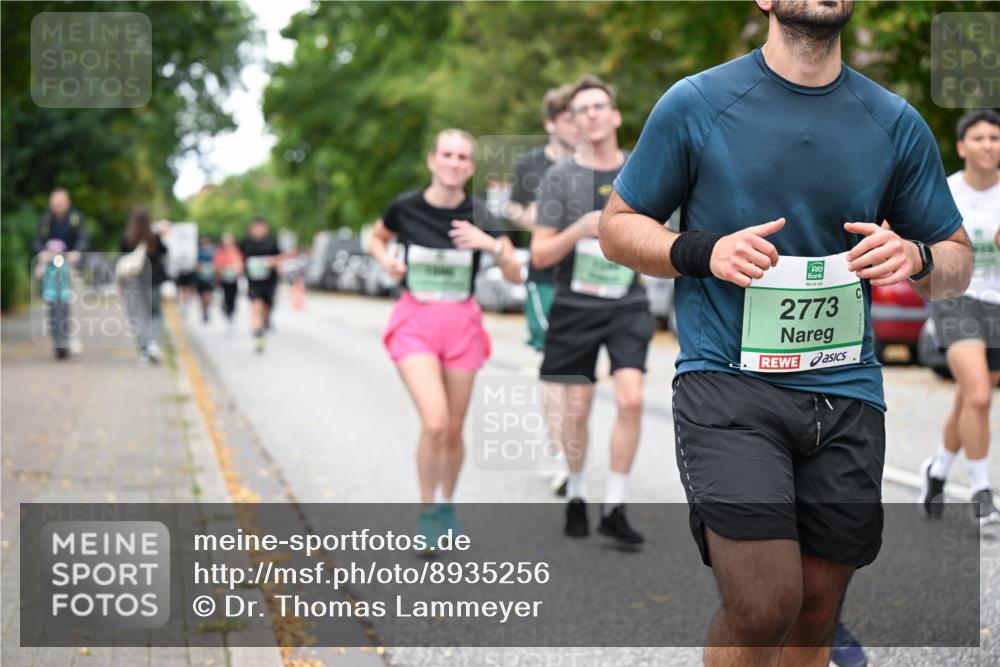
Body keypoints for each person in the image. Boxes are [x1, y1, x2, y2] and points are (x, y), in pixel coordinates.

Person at [597, 1, 973, 664]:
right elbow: (618, 226)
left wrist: (915, 258)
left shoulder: (893, 120)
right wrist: (701, 250)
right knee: (765, 601)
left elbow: (956, 261)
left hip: (848, 392)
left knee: (814, 614)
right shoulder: (698, 102)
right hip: (729, 385)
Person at [370, 129, 522, 551]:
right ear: (432, 161)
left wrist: (490, 244)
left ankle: (447, 504)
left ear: (470, 167)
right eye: (447, 155)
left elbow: (515, 273)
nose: (454, 163)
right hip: (415, 320)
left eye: (463, 157)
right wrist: (386, 262)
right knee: (434, 421)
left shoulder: (481, 214)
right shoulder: (405, 207)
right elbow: (376, 237)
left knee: (453, 430)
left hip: (462, 324)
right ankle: (426, 513)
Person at [531, 75, 654, 546]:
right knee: (576, 410)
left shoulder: (641, 170)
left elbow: (661, 232)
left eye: (600, 106)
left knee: (631, 398)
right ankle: (578, 493)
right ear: (574, 122)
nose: (593, 115)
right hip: (575, 303)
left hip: (627, 301)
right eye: (582, 110)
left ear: (616, 115)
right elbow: (541, 254)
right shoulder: (559, 178)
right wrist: (581, 228)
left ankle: (616, 505)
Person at [921, 108, 1000, 526]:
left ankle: (936, 471)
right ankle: (982, 492)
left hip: (997, 307)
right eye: (981, 138)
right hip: (956, 299)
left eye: (996, 138)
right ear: (961, 147)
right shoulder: (947, 192)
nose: (989, 145)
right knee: (981, 397)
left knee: (969, 397)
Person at [507, 83, 579, 497]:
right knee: (555, 367)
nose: (577, 124)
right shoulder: (531, 164)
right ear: (552, 123)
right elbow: (513, 206)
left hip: (585, 280)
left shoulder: (594, 165)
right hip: (545, 278)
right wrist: (533, 218)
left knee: (577, 373)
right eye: (568, 117)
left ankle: (569, 448)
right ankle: (560, 453)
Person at [33, 187, 88, 355]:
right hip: (51, 267)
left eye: (60, 201)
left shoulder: (76, 218)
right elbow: (37, 241)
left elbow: (83, 238)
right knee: (52, 304)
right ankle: (58, 341)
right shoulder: (46, 219)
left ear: (67, 202)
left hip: (70, 266)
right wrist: (42, 253)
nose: (57, 204)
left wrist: (76, 252)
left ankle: (71, 336)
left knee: (71, 303)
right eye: (54, 202)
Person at [119, 207, 169, 365]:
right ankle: (153, 343)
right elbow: (164, 252)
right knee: (155, 313)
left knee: (136, 317)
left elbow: (122, 262)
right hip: (153, 281)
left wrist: (120, 284)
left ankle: (143, 350)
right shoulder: (154, 237)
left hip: (133, 283)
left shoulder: (126, 238)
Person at [239, 216, 284, 353]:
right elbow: (239, 257)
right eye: (256, 227)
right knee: (255, 306)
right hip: (254, 282)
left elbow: (281, 258)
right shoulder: (245, 243)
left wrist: (274, 262)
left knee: (265, 308)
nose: (258, 230)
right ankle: (258, 333)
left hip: (269, 282)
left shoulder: (271, 243)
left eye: (261, 227)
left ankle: (264, 324)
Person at [213, 232, 243, 333]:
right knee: (225, 296)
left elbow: (240, 264)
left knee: (233, 297)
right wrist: (222, 269)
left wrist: (235, 269)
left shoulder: (236, 250)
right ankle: (226, 312)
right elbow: (216, 264)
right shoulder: (220, 251)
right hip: (223, 278)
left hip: (233, 278)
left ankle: (231, 313)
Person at [194, 235, 216, 324]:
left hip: (210, 278)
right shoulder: (198, 253)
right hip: (200, 278)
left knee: (208, 295)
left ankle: (206, 310)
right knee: (202, 297)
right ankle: (204, 312)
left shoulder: (212, 252)